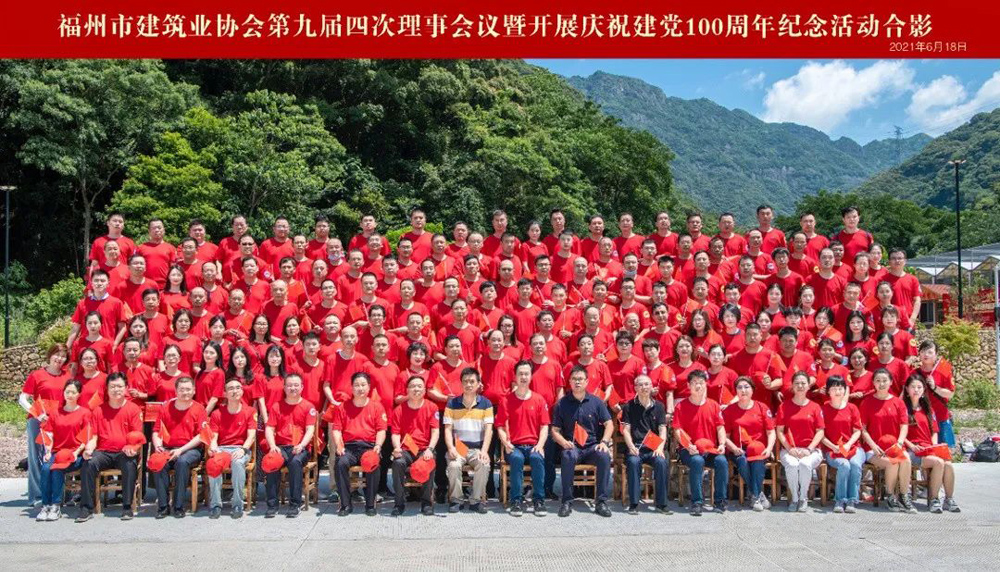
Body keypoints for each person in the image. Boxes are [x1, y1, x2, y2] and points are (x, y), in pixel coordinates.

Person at [550, 365, 614, 518]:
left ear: (586, 381)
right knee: (567, 455)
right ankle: (567, 501)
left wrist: (604, 442)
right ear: (569, 382)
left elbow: (609, 424)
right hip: (572, 446)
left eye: (580, 379)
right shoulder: (562, 404)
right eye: (574, 379)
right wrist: (563, 442)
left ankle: (601, 502)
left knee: (604, 456)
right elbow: (555, 430)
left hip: (591, 446)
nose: (577, 382)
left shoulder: (596, 402)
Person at [78, 373, 142, 522]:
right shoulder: (98, 410)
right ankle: (86, 507)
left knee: (129, 464)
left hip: (124, 452)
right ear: (106, 389)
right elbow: (93, 436)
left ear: (126, 388)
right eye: (112, 387)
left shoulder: (133, 409)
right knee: (88, 463)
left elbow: (137, 436)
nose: (116, 390)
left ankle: (127, 507)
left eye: (119, 386)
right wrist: (88, 449)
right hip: (104, 452)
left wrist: (132, 448)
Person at [496, 361, 549, 517]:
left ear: (531, 376)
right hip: (514, 446)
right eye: (520, 374)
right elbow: (500, 426)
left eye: (526, 374)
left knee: (537, 458)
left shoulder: (539, 400)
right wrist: (506, 443)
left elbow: (544, 426)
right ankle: (516, 501)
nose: (523, 377)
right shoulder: (506, 400)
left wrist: (540, 445)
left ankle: (539, 500)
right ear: (515, 376)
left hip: (533, 445)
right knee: (517, 459)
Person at [673, 369, 728, 516]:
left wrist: (722, 444)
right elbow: (677, 430)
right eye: (694, 383)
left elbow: (720, 427)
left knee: (722, 461)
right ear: (688, 385)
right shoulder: (681, 406)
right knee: (697, 461)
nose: (698, 386)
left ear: (706, 385)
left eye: (701, 383)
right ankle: (697, 502)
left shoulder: (713, 405)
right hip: (689, 450)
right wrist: (688, 446)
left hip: (709, 448)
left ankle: (720, 501)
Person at [332, 372, 388, 517]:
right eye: (356, 385)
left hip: (368, 446)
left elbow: (381, 430)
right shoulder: (342, 407)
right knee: (340, 463)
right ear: (351, 388)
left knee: (373, 462)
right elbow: (336, 429)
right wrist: (339, 445)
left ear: (369, 387)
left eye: (363, 385)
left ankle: (370, 504)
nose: (360, 388)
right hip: (349, 447)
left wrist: (378, 445)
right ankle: (345, 504)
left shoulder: (376, 406)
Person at [861, 368, 916, 513]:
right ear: (873, 383)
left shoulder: (898, 402)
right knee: (892, 463)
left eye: (885, 380)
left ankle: (903, 495)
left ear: (891, 382)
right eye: (878, 380)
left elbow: (904, 425)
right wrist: (873, 446)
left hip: (895, 446)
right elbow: (863, 429)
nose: (881, 384)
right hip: (874, 449)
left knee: (906, 460)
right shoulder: (867, 402)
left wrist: (899, 443)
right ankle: (890, 496)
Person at [903, 373, 960, 513]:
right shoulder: (902, 409)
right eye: (913, 387)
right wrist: (912, 446)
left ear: (924, 390)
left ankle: (949, 499)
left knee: (948, 465)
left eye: (919, 387)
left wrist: (933, 445)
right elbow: (899, 433)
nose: (916, 390)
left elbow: (934, 431)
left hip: (928, 448)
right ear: (907, 390)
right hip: (911, 450)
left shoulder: (928, 409)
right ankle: (934, 499)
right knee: (938, 463)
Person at [152, 376, 208, 518]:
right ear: (176, 391)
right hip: (168, 448)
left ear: (194, 390)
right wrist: (158, 445)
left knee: (182, 462)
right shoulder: (165, 407)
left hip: (190, 450)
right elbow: (156, 431)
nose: (185, 392)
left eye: (188, 389)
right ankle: (163, 506)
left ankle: (178, 506)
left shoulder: (199, 408)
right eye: (182, 390)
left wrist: (181, 450)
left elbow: (201, 435)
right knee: (157, 462)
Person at [36, 379, 90, 522]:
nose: (70, 395)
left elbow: (86, 437)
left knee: (57, 470)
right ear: (63, 393)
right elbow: (49, 434)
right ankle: (45, 505)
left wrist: (76, 453)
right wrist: (48, 451)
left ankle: (56, 505)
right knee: (46, 468)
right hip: (57, 452)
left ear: (79, 394)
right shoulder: (55, 413)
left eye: (73, 392)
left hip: (75, 454)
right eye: (67, 392)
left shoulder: (84, 413)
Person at [264, 373, 317, 518]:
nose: (292, 388)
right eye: (289, 385)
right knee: (271, 462)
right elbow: (269, 428)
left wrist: (301, 445)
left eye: (296, 385)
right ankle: (272, 505)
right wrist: (272, 445)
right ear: (284, 387)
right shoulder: (277, 406)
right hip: (281, 447)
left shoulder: (308, 406)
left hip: (300, 448)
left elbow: (310, 430)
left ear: (302, 387)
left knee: (295, 462)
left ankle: (295, 504)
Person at [443, 368, 494, 514]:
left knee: (484, 464)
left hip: (477, 448)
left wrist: (484, 451)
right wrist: (451, 448)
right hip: (459, 448)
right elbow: (447, 429)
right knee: (453, 465)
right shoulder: (452, 404)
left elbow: (489, 430)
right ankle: (456, 500)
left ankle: (476, 500)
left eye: (472, 381)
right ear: (461, 383)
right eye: (465, 381)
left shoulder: (486, 404)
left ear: (478, 384)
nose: (468, 384)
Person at [620, 374, 672, 515]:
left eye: (647, 384)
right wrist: (631, 446)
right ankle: (634, 503)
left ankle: (662, 504)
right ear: (635, 388)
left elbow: (662, 429)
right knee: (633, 462)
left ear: (651, 387)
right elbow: (626, 430)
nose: (644, 387)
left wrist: (660, 447)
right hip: (636, 446)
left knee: (662, 462)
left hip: (654, 447)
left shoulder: (659, 406)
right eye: (641, 385)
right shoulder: (628, 406)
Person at [722, 376, 775, 512]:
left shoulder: (762, 407)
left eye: (746, 387)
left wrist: (769, 448)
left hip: (759, 449)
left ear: (752, 390)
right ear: (736, 391)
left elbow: (771, 432)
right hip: (738, 449)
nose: (743, 390)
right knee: (742, 461)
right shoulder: (729, 411)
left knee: (757, 460)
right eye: (739, 387)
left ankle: (754, 496)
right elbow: (725, 437)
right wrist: (734, 448)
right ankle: (758, 494)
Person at [390, 376, 440, 517]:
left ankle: (426, 503)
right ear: (407, 390)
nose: (416, 389)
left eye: (419, 386)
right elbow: (395, 433)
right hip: (406, 449)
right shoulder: (399, 410)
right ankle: (399, 503)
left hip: (424, 448)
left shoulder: (432, 407)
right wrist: (397, 448)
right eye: (412, 386)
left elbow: (435, 431)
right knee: (398, 463)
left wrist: (430, 449)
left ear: (424, 390)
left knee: (428, 461)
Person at [207, 378, 257, 519]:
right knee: (213, 463)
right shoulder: (217, 413)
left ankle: (237, 504)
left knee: (238, 462)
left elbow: (251, 436)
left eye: (238, 388)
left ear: (242, 391)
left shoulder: (250, 411)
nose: (235, 391)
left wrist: (243, 450)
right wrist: (214, 448)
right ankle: (216, 505)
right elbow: (213, 437)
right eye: (231, 388)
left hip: (240, 448)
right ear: (225, 393)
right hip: (222, 448)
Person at [776, 371, 825, 512]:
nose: (800, 386)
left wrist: (809, 449)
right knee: (792, 465)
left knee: (804, 464)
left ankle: (803, 498)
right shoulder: (784, 406)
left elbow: (820, 431)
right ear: (792, 386)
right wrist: (789, 448)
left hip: (811, 450)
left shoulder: (815, 407)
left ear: (809, 386)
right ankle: (794, 499)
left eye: (803, 383)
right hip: (790, 449)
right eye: (797, 383)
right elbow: (780, 431)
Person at [820, 375, 865, 513]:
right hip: (832, 449)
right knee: (844, 465)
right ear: (828, 391)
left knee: (855, 464)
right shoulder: (823, 409)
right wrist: (833, 447)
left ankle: (852, 499)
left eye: (840, 388)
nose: (838, 391)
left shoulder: (852, 408)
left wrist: (848, 444)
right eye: (834, 388)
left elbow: (857, 431)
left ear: (845, 390)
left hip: (853, 447)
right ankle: (840, 499)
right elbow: (820, 434)